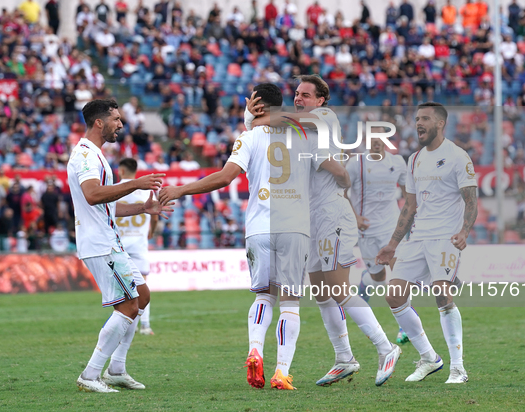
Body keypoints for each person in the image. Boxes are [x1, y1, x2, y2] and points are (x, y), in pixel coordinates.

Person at [159, 83, 350, 391]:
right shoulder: (304, 134)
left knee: (264, 295)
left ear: (255, 105)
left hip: (259, 226)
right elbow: (333, 168)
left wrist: (180, 189)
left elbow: (223, 178)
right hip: (295, 226)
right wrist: (344, 180)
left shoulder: (247, 137)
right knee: (290, 301)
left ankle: (255, 349)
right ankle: (281, 372)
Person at [248, 75, 401, 387]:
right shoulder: (299, 130)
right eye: (296, 94)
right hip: (309, 220)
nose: (299, 98)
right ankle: (344, 357)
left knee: (338, 288)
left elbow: (332, 167)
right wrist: (256, 118)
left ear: (321, 100)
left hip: (331, 214)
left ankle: (387, 348)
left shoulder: (324, 117)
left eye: (306, 94)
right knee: (321, 294)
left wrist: (257, 116)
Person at [68, 99, 171, 393]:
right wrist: (136, 184)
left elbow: (104, 205)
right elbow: (92, 195)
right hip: (100, 244)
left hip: (107, 239)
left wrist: (142, 209)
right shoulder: (86, 156)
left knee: (142, 295)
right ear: (99, 123)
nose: (121, 125)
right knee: (128, 305)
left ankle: (116, 368)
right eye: (116, 119)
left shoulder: (95, 155)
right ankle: (90, 374)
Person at [377, 102, 478, 384]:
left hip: (445, 238)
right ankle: (429, 358)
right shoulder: (415, 159)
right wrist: (393, 244)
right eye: (417, 118)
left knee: (442, 295)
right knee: (394, 295)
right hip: (417, 237)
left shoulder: (458, 157)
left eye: (425, 119)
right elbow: (409, 207)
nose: (418, 123)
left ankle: (458, 368)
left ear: (440, 124)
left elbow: (471, 201)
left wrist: (464, 232)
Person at [345, 128, 409, 344]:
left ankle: (405, 327)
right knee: (378, 277)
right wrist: (355, 218)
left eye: (381, 138)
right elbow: (342, 191)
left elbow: (410, 190)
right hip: (367, 230)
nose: (376, 142)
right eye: (372, 138)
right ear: (366, 140)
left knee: (399, 273)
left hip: (392, 227)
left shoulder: (398, 162)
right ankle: (365, 281)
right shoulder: (356, 164)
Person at [117, 158, 159, 335]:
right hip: (139, 244)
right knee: (143, 286)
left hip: (119, 245)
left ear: (121, 170)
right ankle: (145, 326)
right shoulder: (146, 192)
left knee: (121, 288)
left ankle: (122, 325)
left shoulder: (114, 190)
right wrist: (152, 231)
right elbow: (155, 215)